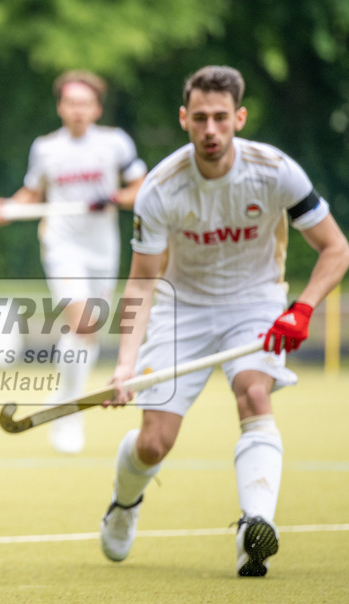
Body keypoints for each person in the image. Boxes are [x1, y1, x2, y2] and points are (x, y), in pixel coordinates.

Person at [99, 65, 349, 577]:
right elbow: (142, 281)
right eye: (200, 118)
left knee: (254, 394)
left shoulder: (275, 171)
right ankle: (124, 505)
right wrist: (125, 364)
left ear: (239, 117)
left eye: (220, 117)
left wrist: (302, 308)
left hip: (254, 303)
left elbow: (336, 248)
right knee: (154, 442)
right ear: (184, 119)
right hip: (182, 307)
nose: (210, 129)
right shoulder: (160, 187)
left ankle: (254, 528)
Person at [0, 70, 147, 453]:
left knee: (88, 332)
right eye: (71, 103)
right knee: (82, 321)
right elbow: (32, 193)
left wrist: (113, 198)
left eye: (85, 103)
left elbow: (141, 187)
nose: (78, 110)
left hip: (102, 248)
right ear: (61, 107)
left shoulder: (115, 143)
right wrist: (7, 208)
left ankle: (64, 393)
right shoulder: (46, 148)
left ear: (97, 109)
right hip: (61, 244)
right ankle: (70, 413)